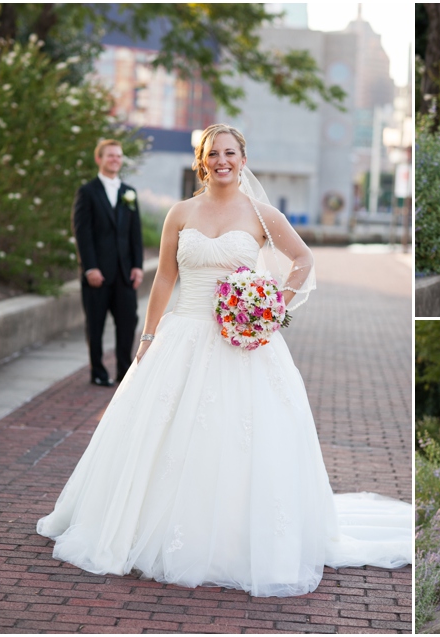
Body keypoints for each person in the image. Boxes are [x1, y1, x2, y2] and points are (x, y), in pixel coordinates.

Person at [37, 124, 412, 597]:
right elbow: (165, 280)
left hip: (242, 343)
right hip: (184, 332)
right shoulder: (181, 212)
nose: (221, 161)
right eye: (213, 154)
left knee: (236, 437)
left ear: (242, 158)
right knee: (161, 432)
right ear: (202, 160)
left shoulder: (261, 213)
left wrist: (270, 306)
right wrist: (149, 335)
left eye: (229, 153)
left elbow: (302, 260)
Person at [72, 140, 144, 386]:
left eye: (118, 155)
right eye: (110, 155)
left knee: (128, 323)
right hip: (97, 274)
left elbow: (136, 233)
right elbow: (82, 233)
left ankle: (124, 372)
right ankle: (98, 371)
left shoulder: (129, 192)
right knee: (95, 325)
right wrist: (89, 267)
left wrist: (137, 266)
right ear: (99, 159)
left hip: (125, 273)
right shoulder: (87, 191)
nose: (115, 159)